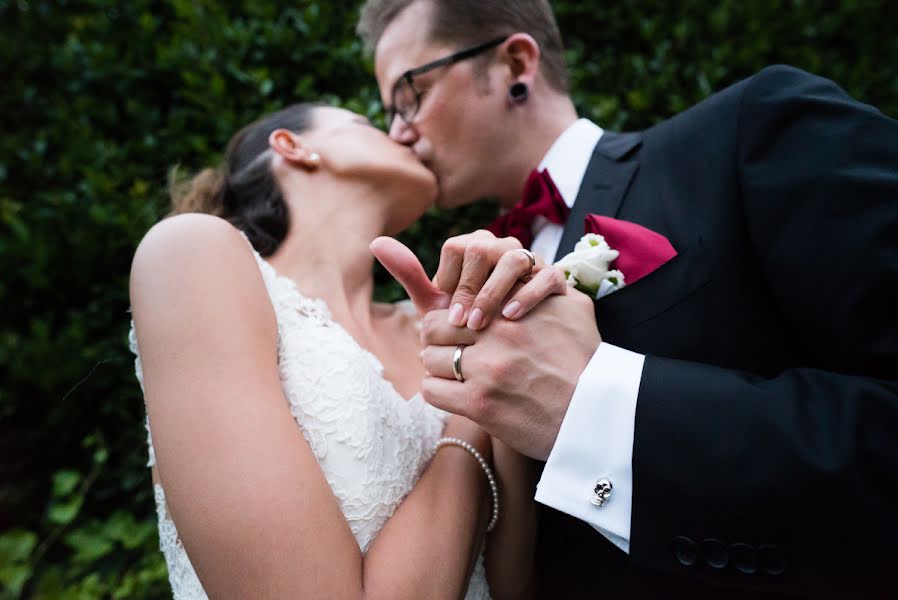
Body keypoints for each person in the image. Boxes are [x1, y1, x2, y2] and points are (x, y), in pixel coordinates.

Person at [358, 0, 898, 596]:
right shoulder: (467, 280)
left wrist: (594, 407)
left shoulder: (754, 128)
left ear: (515, 62)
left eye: (410, 93)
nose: (397, 131)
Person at [128, 103, 546, 599]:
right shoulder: (193, 257)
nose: (403, 133)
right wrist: (470, 406)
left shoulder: (436, 326)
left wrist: (496, 346)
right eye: (369, 123)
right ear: (293, 146)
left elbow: (511, 582)